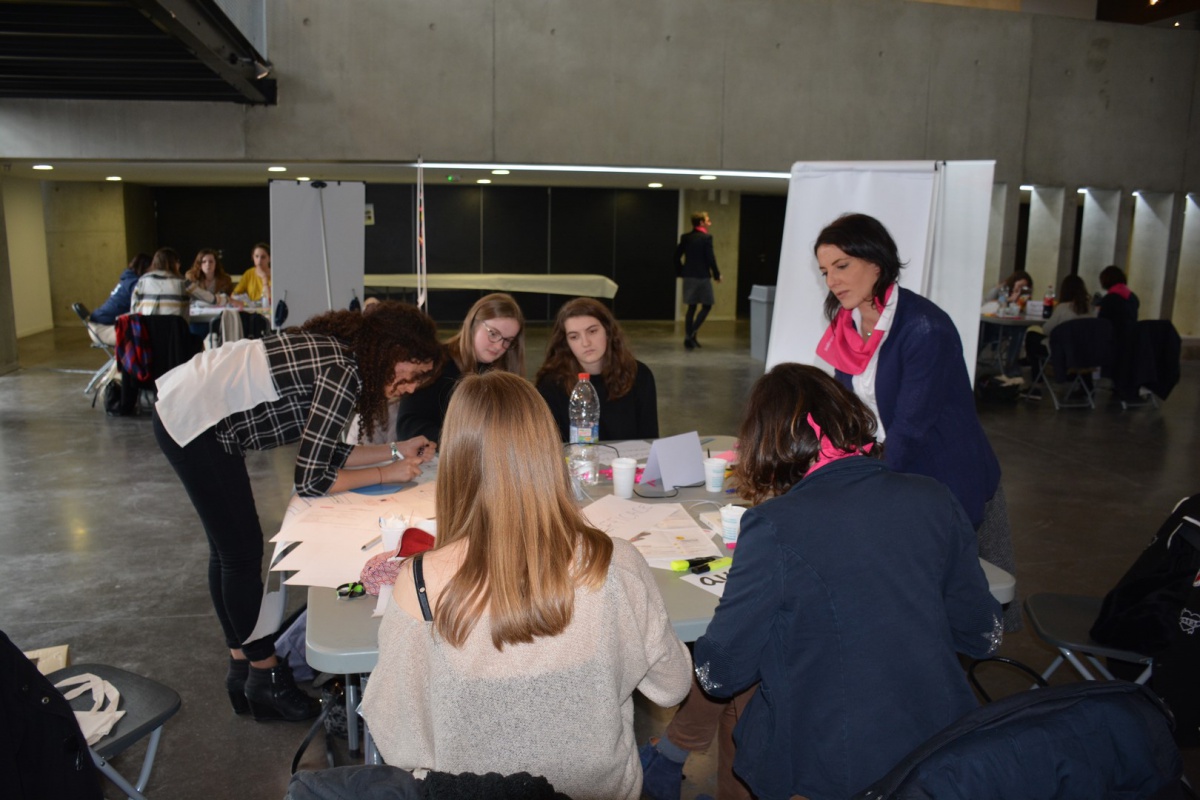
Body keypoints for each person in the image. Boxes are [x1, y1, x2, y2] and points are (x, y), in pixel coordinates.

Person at [361, 371, 692, 799]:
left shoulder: (420, 582)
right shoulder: (615, 562)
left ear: (456, 463)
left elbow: (396, 739)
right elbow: (672, 685)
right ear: (549, 452)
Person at [686, 364, 1002, 800]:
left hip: (836, 761)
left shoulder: (774, 526)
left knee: (738, 705)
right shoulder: (934, 496)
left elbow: (719, 674)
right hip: (939, 741)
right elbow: (984, 635)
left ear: (770, 439)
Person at [153, 301, 443, 722]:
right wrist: (388, 470)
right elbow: (312, 478)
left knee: (229, 551)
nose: (412, 388)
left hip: (193, 411)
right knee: (239, 554)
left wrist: (396, 450)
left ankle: (242, 668)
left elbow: (326, 450)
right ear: (391, 352)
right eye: (412, 374)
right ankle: (264, 676)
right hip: (195, 425)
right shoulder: (343, 372)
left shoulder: (344, 356)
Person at [813, 214, 1017, 625]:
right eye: (825, 271)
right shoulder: (848, 326)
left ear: (876, 262)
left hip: (940, 480)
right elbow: (848, 413)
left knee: (939, 609)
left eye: (842, 266)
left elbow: (910, 428)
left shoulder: (924, 327)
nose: (832, 280)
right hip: (892, 474)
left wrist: (859, 487)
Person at [395, 292, 526, 442]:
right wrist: (462, 443)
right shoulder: (434, 364)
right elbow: (407, 427)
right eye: (493, 334)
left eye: (508, 340)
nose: (498, 346)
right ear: (473, 324)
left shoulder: (503, 374)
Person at [535, 297, 658, 441]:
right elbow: (548, 446)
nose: (585, 343)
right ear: (566, 343)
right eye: (574, 337)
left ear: (608, 331)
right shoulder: (551, 384)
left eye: (592, 331)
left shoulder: (639, 375)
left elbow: (650, 441)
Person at [675, 211, 721, 350]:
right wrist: (717, 275)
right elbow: (710, 258)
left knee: (692, 307)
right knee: (707, 305)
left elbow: (676, 256)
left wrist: (681, 271)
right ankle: (691, 334)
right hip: (702, 277)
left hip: (689, 276)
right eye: (707, 220)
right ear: (701, 222)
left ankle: (690, 337)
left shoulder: (686, 237)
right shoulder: (706, 238)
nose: (709, 223)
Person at [1096, 265, 1141, 402]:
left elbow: (1102, 323)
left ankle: (1084, 385)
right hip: (1131, 342)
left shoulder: (1110, 299)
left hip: (1115, 343)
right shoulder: (1132, 296)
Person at [87, 253, 150, 346]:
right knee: (145, 335)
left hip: (96, 326)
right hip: (102, 329)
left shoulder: (128, 279)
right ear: (145, 268)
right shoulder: (134, 283)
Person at [129, 247, 190, 319]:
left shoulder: (142, 281)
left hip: (147, 324)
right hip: (174, 325)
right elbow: (201, 295)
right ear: (175, 264)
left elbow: (133, 308)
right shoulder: (182, 282)